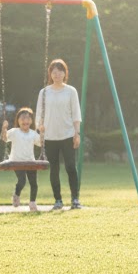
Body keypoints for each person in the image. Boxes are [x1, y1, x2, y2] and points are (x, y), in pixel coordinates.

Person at [36, 58, 82, 210]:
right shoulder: (44, 92)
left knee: (70, 166)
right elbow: (39, 115)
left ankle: (75, 199)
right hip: (50, 136)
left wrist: (77, 133)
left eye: (59, 72)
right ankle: (58, 200)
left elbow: (76, 114)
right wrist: (40, 131)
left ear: (64, 73)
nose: (56, 75)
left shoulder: (71, 91)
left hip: (68, 134)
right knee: (54, 169)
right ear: (50, 74)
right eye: (53, 72)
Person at [1, 106, 43, 211]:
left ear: (31, 121)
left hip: (30, 161)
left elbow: (41, 143)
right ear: (18, 121)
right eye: (22, 118)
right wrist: (4, 129)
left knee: (34, 183)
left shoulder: (33, 133)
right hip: (16, 161)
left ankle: (32, 202)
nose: (25, 120)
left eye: (28, 118)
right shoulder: (15, 131)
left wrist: (42, 132)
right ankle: (16, 194)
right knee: (22, 181)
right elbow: (4, 138)